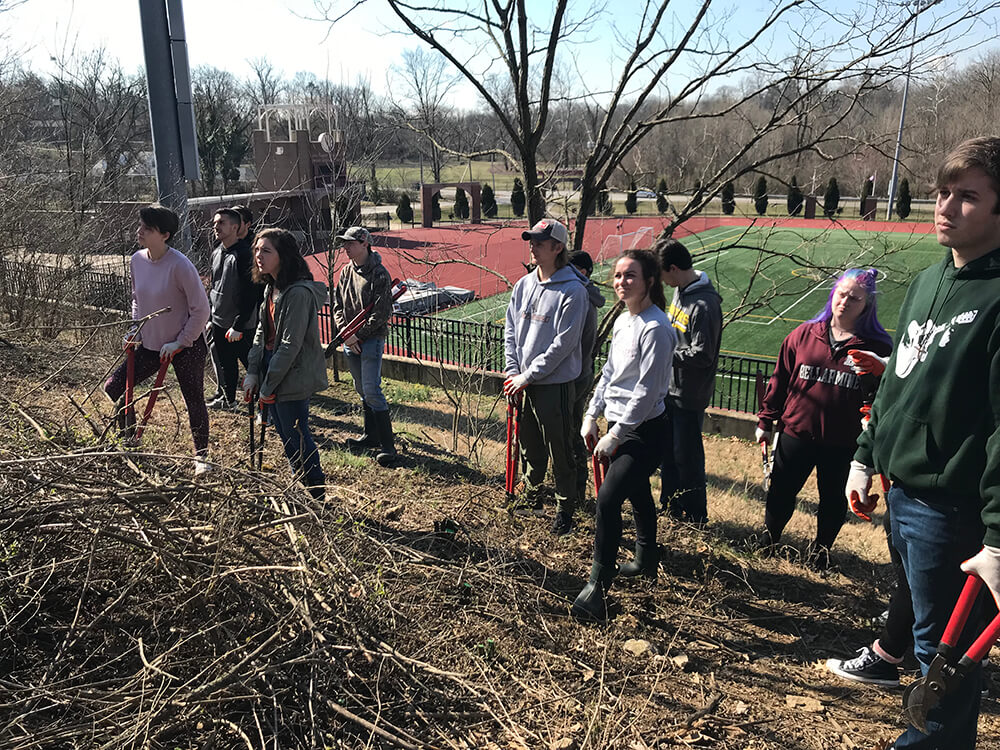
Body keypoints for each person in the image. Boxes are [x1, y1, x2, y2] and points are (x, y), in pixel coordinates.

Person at [849, 136, 1000, 748]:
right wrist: (865, 457)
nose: (945, 207)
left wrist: (999, 536)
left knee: (945, 673)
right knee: (923, 649)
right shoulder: (925, 281)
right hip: (904, 496)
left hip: (956, 512)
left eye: (967, 196)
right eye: (942, 192)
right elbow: (897, 387)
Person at [756, 268, 892, 567]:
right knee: (780, 493)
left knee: (832, 501)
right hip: (796, 433)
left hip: (843, 443)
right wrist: (766, 421)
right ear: (833, 295)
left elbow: (885, 397)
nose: (845, 302)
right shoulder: (803, 335)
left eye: (854, 298)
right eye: (841, 294)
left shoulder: (878, 348)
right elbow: (779, 379)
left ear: (866, 305)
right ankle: (769, 540)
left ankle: (820, 553)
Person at [573, 249, 676, 621]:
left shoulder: (657, 328)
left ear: (649, 281)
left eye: (630, 275)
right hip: (619, 427)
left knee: (608, 499)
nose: (621, 282)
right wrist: (591, 414)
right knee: (636, 492)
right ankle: (647, 556)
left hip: (645, 432)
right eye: (617, 276)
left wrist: (615, 434)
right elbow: (609, 375)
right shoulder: (622, 322)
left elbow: (647, 393)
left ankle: (598, 585)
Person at [104, 204, 212, 475]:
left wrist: (182, 341)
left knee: (193, 398)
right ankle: (128, 441)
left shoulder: (180, 265)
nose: (139, 231)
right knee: (115, 387)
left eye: (147, 229)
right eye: (140, 226)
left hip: (186, 344)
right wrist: (135, 330)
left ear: (164, 234)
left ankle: (202, 457)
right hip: (151, 344)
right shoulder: (137, 260)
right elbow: (137, 301)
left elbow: (201, 309)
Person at [503, 218, 588, 535]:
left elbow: (563, 346)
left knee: (560, 449)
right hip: (522, 382)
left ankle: (566, 509)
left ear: (558, 247)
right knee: (529, 447)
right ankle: (532, 495)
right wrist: (514, 371)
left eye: (540, 241)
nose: (533, 246)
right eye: (531, 240)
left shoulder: (573, 291)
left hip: (554, 385)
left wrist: (527, 375)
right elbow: (510, 330)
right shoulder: (523, 285)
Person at [242, 228, 329, 501]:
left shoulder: (298, 294)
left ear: (284, 256)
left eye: (266, 250)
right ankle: (300, 482)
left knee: (296, 433)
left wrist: (268, 385)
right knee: (283, 431)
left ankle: (315, 491)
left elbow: (290, 346)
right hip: (272, 367)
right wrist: (253, 372)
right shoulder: (272, 287)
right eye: (256, 250)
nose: (258, 255)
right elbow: (261, 333)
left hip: (292, 372)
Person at [655, 237, 722, 525]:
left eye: (662, 275)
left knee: (688, 458)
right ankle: (670, 506)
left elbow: (703, 354)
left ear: (673, 268)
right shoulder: (680, 291)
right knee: (668, 454)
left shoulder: (704, 305)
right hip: (669, 389)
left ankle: (696, 515)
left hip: (689, 394)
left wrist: (667, 352)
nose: (662, 282)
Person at [331, 226, 398, 467]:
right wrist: (345, 333)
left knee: (372, 389)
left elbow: (381, 313)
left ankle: (388, 446)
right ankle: (371, 436)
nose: (346, 247)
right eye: (344, 243)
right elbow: (337, 304)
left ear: (364, 243)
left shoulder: (379, 274)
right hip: (351, 339)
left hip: (370, 340)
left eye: (350, 243)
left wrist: (357, 336)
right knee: (361, 389)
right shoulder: (346, 272)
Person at [207, 207, 258, 409]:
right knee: (226, 365)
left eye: (221, 223)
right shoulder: (217, 252)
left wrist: (239, 324)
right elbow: (214, 286)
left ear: (235, 227)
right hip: (219, 321)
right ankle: (229, 401)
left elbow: (251, 293)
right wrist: (211, 317)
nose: (216, 226)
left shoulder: (245, 255)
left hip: (240, 326)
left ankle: (264, 406)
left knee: (251, 365)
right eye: (215, 223)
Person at [568, 250, 606, 502]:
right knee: (569, 431)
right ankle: (574, 488)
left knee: (571, 433)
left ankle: (577, 490)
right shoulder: (582, 291)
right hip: (578, 372)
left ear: (581, 272)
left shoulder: (582, 294)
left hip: (576, 374)